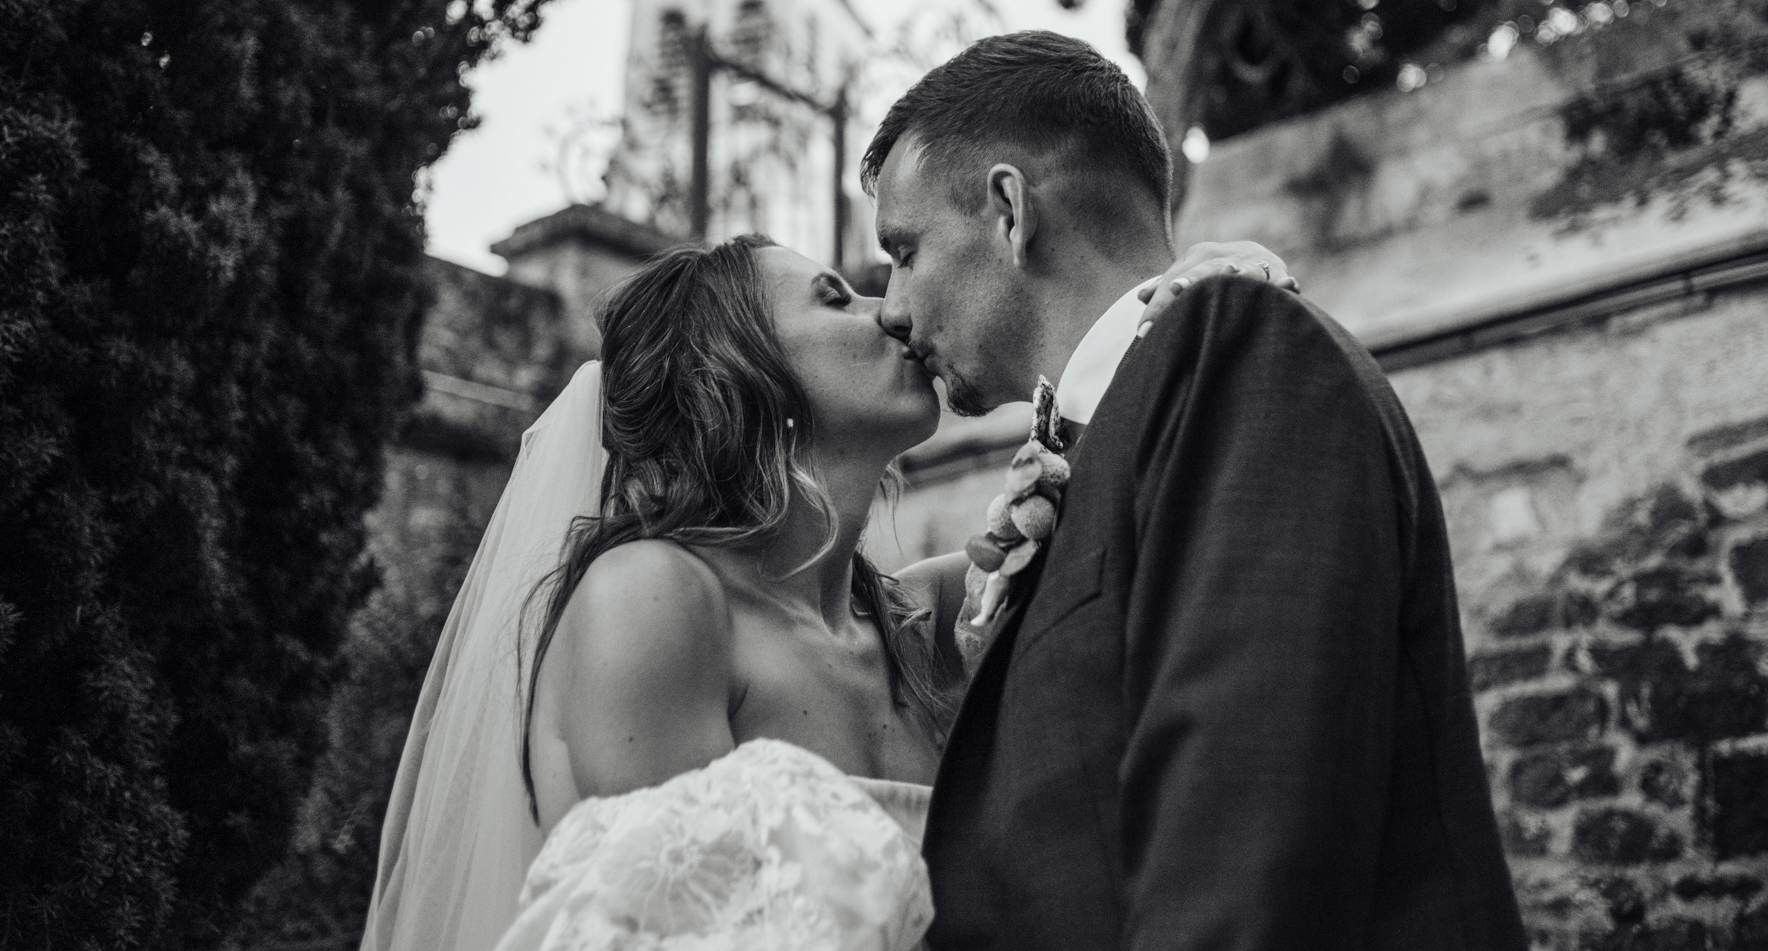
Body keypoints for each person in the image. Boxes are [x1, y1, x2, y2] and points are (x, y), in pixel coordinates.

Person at [360, 231, 1285, 951]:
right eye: (836, 297)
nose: (896, 312)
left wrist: (1176, 316)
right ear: (735, 372)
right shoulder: (655, 600)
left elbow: (1148, 514)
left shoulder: (928, 624)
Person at [863, 30, 1526, 951]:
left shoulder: (1239, 354)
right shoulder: (1100, 446)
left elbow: (1249, 852)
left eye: (904, 250)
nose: (892, 308)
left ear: (1010, 211)